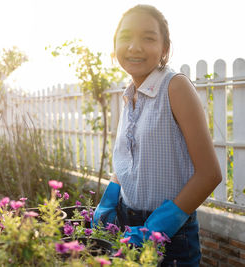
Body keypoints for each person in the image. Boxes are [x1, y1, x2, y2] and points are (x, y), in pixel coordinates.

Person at [92, 4, 222, 266]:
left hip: (172, 236)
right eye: (125, 37)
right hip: (126, 224)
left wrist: (160, 225)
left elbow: (210, 174)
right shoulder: (129, 93)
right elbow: (130, 159)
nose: (134, 46)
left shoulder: (175, 86)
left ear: (165, 48)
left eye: (148, 38)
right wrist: (111, 194)